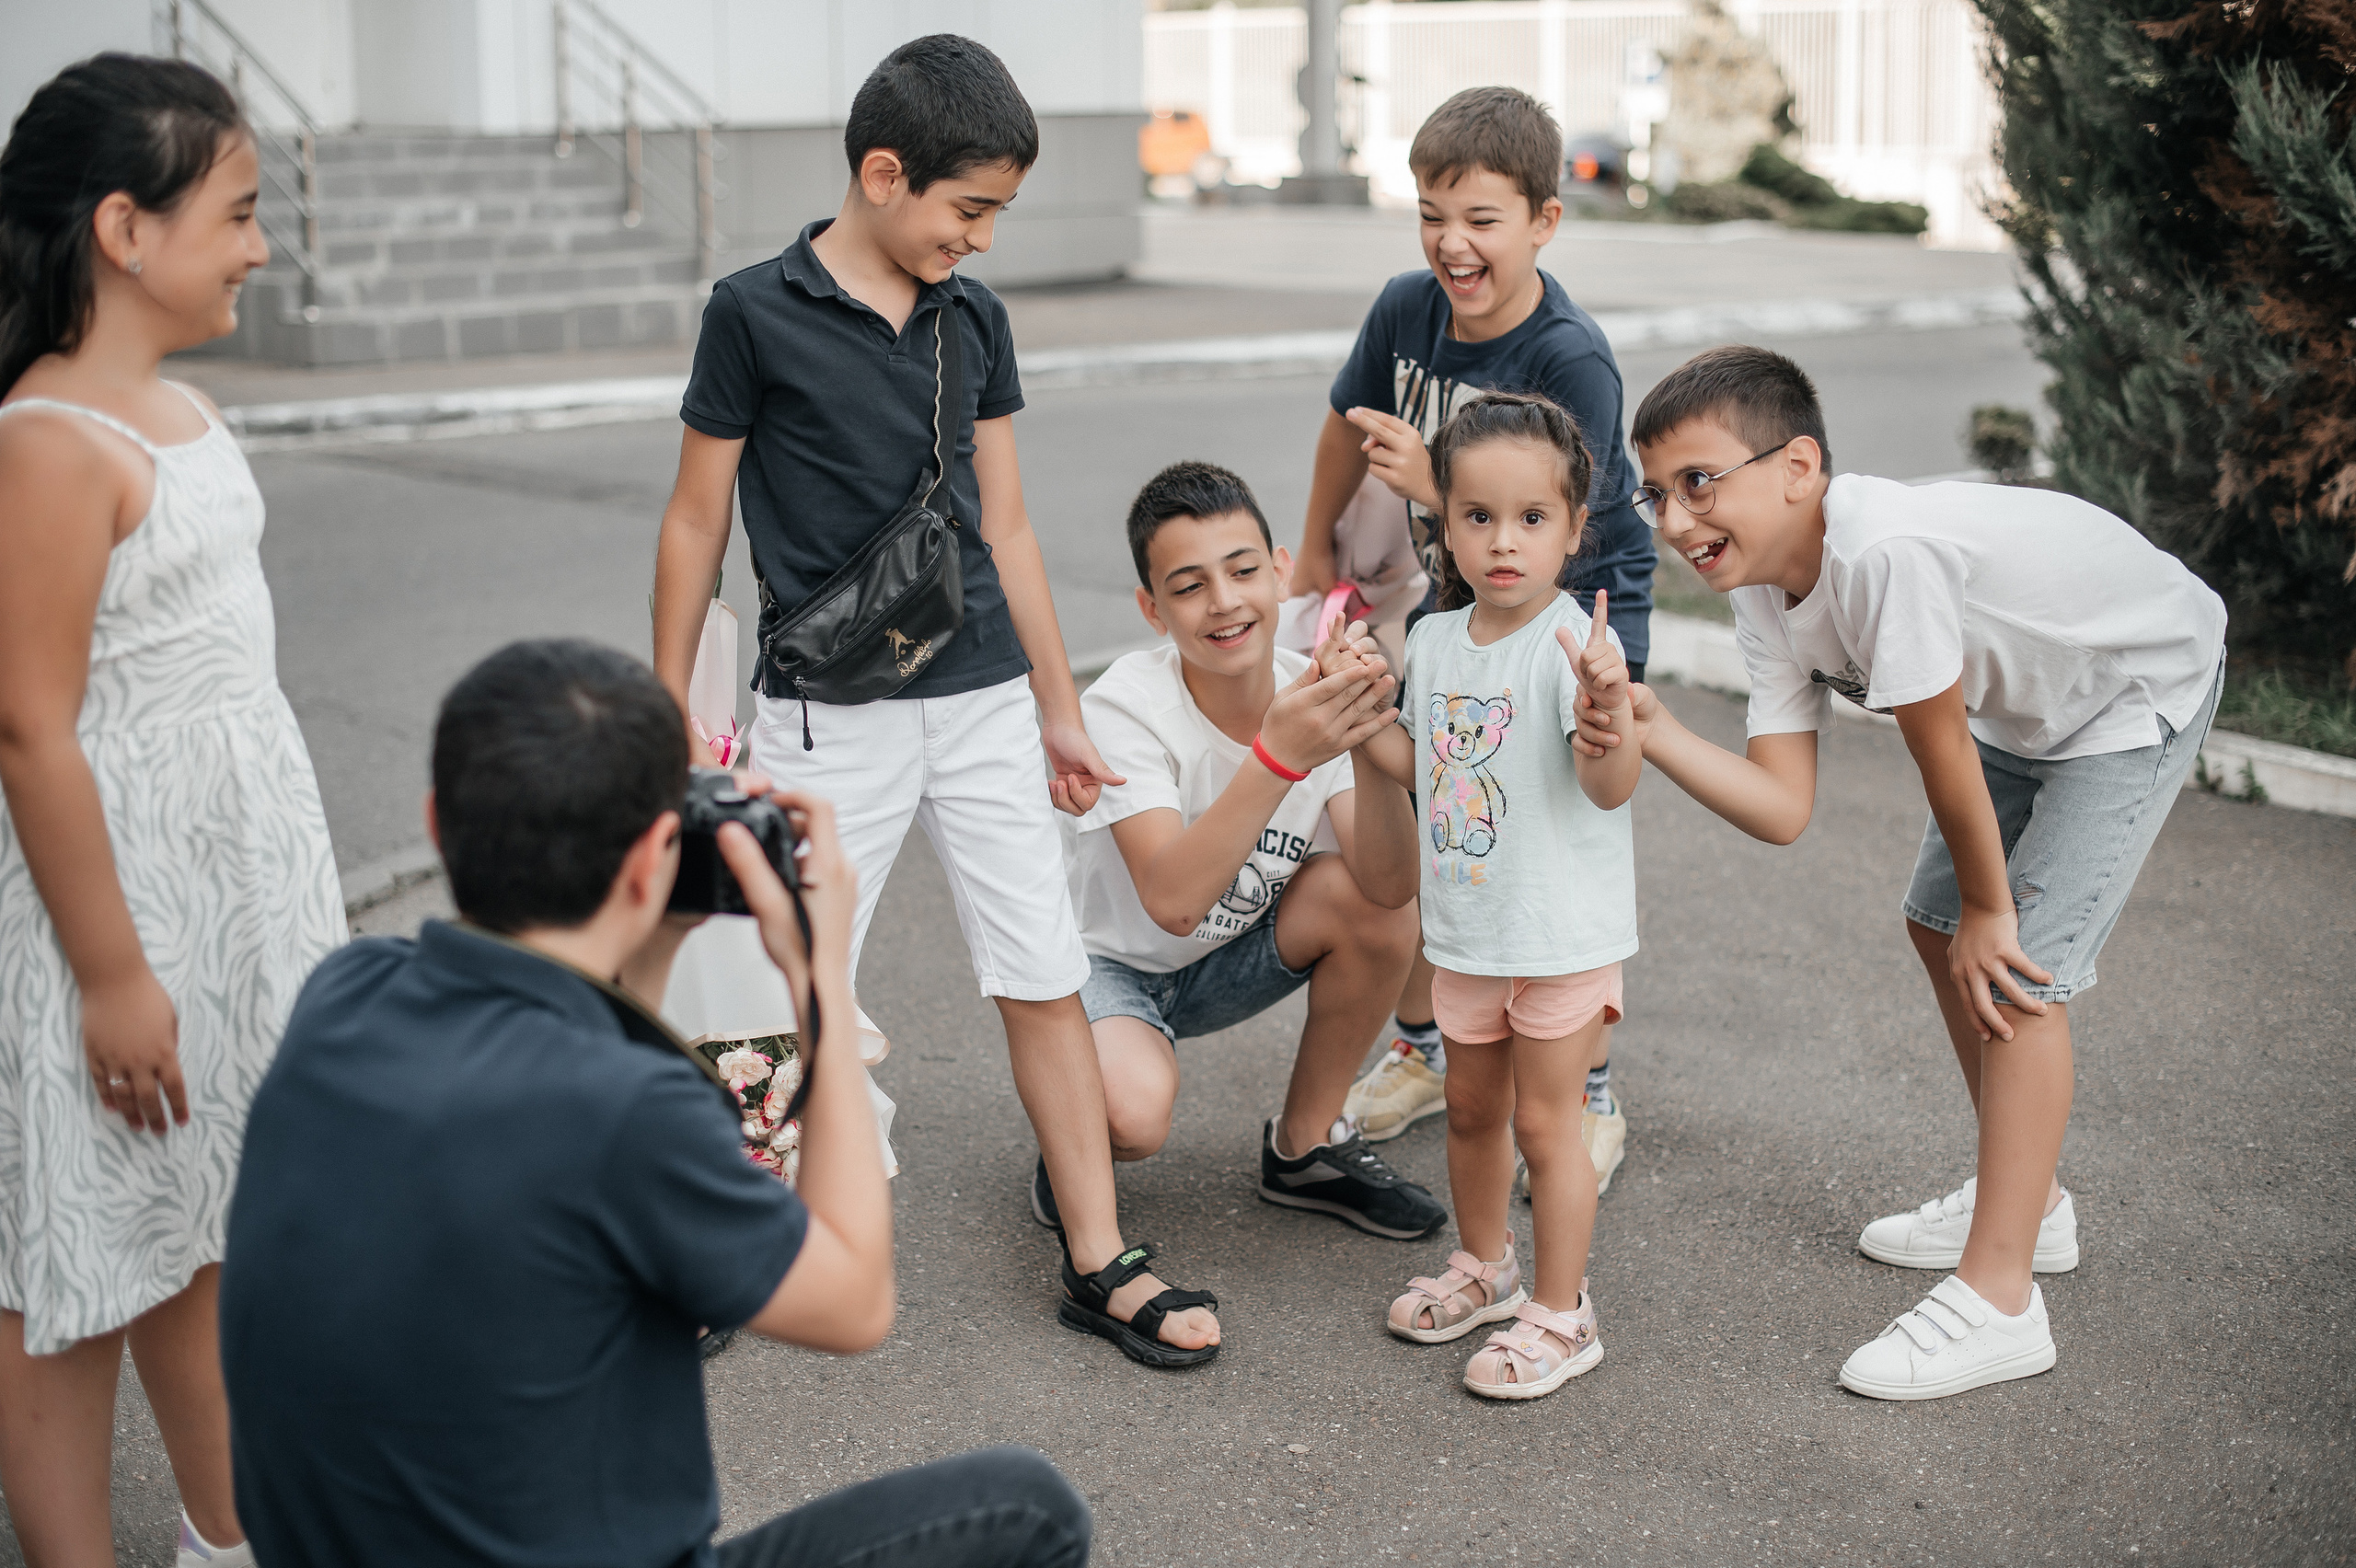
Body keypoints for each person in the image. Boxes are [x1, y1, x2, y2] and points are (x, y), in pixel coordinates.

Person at [217, 640, 1092, 1567]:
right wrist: (817, 981)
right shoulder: (627, 1112)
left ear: (437, 823)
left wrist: (654, 936)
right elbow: (853, 1301)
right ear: (651, 862)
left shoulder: (345, 994)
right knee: (1030, 1509)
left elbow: (557, 1063)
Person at [648, 35, 1218, 1366]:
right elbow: (694, 520)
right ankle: (723, 1239)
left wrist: (1059, 707)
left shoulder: (976, 320)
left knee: (1043, 972)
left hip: (978, 704)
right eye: (969, 211)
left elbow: (1006, 528)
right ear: (885, 175)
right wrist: (671, 697)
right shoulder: (753, 310)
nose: (982, 239)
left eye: (999, 214)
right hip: (816, 713)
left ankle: (1099, 1254)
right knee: (783, 984)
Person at [1576, 345, 2228, 1400]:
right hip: (2027, 699)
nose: (1674, 519)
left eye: (1698, 482)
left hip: (2130, 681)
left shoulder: (1880, 553)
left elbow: (1940, 746)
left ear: (1796, 467)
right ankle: (2033, 1205)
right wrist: (1649, 727)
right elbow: (1782, 806)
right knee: (1938, 925)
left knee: (2018, 969)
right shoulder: (1759, 588)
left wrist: (1992, 905)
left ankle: (2001, 1296)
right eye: (1654, 494)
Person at [0, 55, 345, 1568]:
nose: (262, 246)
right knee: (71, 1260)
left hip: (230, 889)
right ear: (126, 229)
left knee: (206, 1222)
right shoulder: (52, 444)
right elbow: (27, 721)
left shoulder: (177, 403)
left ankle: (230, 1531)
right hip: (117, 904)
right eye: (241, 213)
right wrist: (114, 971)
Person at [1300, 86, 1649, 1183]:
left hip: (1568, 610)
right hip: (1461, 606)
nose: (1452, 242)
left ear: (1544, 220)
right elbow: (1346, 426)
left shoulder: (1570, 358)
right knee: (1454, 823)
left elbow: (1562, 530)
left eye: (1482, 218)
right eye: (1430, 212)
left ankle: (1582, 1077)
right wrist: (1314, 550)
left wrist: (1437, 476)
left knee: (1543, 838)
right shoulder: (1407, 307)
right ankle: (1429, 1042)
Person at [1044, 463, 1439, 1314]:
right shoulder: (1125, 708)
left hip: (1229, 953)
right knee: (1134, 1120)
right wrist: (1280, 754)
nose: (1223, 602)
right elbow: (1172, 899)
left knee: (1373, 905)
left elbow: (1391, 883)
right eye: (1188, 586)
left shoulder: (1308, 685)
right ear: (1152, 609)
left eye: (1243, 570)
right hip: (1109, 968)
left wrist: (1371, 739)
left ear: (1281, 570)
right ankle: (1069, 1124)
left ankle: (1303, 1147)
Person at [1321, 393, 1640, 1400]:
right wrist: (1360, 701)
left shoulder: (1577, 648)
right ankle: (1487, 1266)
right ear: (1444, 523)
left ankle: (1561, 1310)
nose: (1504, 542)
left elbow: (1608, 785)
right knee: (1468, 1112)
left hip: (1557, 937)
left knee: (1547, 1128)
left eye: (1533, 519)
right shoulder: (1440, 641)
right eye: (1477, 517)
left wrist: (1605, 719)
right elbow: (1420, 765)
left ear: (1574, 530)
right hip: (1466, 933)